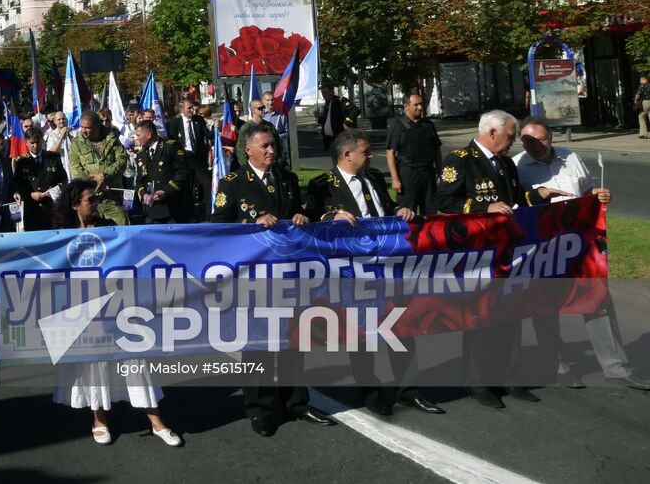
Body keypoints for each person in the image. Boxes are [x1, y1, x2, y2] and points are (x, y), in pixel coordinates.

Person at [305, 131, 444, 416]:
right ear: (347, 155)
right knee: (362, 333)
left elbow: (387, 209)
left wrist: (401, 210)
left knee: (402, 328)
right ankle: (369, 391)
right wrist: (331, 218)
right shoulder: (323, 185)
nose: (371, 156)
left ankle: (409, 389)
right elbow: (309, 219)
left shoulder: (376, 178)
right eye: (366, 152)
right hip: (353, 271)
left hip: (389, 266)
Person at [212, 128, 336, 435]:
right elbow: (217, 225)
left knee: (293, 339)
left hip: (289, 274)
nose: (272, 150)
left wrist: (301, 217)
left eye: (273, 145)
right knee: (258, 345)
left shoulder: (287, 178)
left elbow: (299, 211)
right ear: (249, 150)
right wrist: (250, 223)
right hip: (253, 277)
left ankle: (297, 402)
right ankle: (261, 410)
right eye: (265, 146)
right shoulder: (234, 182)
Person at [514, 118, 650, 390]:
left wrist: (598, 194)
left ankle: (616, 367)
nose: (537, 146)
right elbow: (515, 207)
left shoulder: (571, 157)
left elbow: (587, 190)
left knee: (597, 300)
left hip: (580, 243)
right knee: (545, 307)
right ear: (521, 141)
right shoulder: (517, 166)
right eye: (529, 141)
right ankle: (558, 365)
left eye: (542, 139)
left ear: (551, 137)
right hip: (543, 247)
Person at [50, 179, 181, 447]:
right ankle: (99, 419)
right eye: (90, 200)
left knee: (135, 359)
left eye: (96, 199)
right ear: (76, 205)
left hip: (117, 304)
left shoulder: (109, 229)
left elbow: (131, 250)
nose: (95, 204)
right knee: (92, 363)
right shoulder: (59, 237)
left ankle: (156, 421)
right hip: (81, 309)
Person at [433, 109, 544, 409]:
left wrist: (539, 195)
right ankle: (478, 383)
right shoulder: (459, 159)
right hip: (477, 253)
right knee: (480, 316)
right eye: (510, 137)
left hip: (509, 249)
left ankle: (510, 377)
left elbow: (516, 198)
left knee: (511, 312)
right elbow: (443, 201)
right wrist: (483, 208)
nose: (512, 143)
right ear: (492, 132)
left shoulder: (506, 163)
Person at [384, 91, 442, 214]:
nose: (420, 107)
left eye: (421, 104)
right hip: (408, 175)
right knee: (408, 213)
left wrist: (440, 172)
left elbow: (437, 150)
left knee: (431, 212)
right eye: (416, 105)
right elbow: (390, 153)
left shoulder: (428, 125)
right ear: (406, 106)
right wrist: (395, 179)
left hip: (428, 173)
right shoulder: (398, 126)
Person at [68, 111, 128, 226]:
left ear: (97, 126)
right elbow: (75, 169)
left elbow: (122, 160)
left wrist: (104, 175)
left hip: (112, 196)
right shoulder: (77, 143)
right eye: (82, 127)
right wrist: (94, 182)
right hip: (90, 200)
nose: (83, 131)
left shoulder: (111, 138)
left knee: (121, 228)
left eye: (88, 128)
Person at [131, 119, 192, 224]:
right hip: (151, 211)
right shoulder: (141, 154)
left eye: (138, 135)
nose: (136, 138)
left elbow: (183, 172)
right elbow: (139, 179)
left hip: (172, 209)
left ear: (148, 134)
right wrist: (143, 194)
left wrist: (166, 191)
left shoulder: (170, 147)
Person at [12, 125, 68, 231]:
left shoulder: (53, 158)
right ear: (27, 142)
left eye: (38, 142)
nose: (36, 146)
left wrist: (52, 191)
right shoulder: (21, 162)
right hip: (33, 211)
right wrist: (30, 194)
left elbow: (64, 180)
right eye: (32, 143)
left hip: (52, 208)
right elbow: (17, 185)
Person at [314, 83, 355, 151]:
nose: (324, 95)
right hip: (328, 139)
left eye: (326, 92)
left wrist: (346, 122)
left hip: (339, 137)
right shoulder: (327, 104)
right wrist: (319, 117)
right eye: (323, 93)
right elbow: (327, 121)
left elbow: (354, 110)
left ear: (332, 92)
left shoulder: (340, 100)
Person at [261, 90, 290, 162]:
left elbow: (286, 133)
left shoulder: (281, 116)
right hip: (263, 150)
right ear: (263, 101)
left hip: (278, 150)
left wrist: (277, 136)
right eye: (268, 100)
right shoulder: (261, 116)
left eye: (272, 100)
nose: (270, 102)